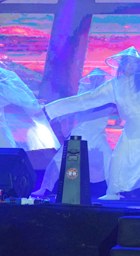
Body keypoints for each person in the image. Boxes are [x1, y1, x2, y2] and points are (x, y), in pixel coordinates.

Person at [43, 48, 140, 201]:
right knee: (118, 159)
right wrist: (51, 109)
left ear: (139, 66)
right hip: (132, 129)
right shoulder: (114, 85)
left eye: (135, 62)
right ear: (122, 64)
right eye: (128, 62)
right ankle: (113, 192)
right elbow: (87, 99)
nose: (131, 65)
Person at [34, 68, 115, 197]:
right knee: (59, 160)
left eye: (99, 78)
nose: (96, 80)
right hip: (80, 134)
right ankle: (44, 188)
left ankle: (114, 191)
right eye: (94, 78)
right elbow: (71, 107)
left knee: (110, 161)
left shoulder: (110, 99)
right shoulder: (84, 98)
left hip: (98, 135)